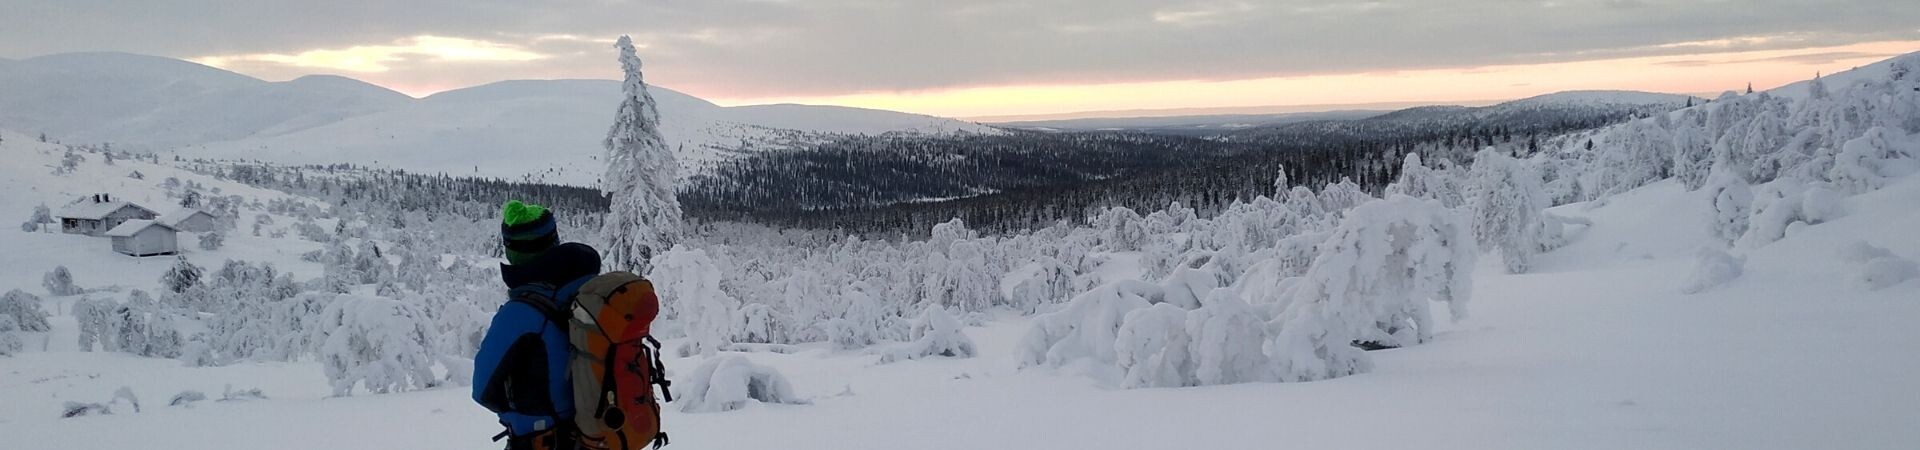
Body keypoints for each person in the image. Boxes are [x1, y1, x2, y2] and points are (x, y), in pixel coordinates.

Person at [474, 200, 600, 450]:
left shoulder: (520, 314)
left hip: (543, 440)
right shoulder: (589, 289)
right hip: (596, 436)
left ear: (513, 251)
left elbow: (482, 389)